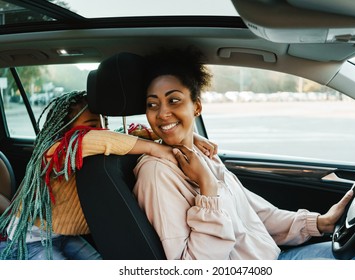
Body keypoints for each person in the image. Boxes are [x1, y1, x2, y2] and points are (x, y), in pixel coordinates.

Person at [133, 47, 355, 260]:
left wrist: (320, 222)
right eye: (152, 104)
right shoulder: (156, 174)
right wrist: (208, 190)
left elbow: (256, 215)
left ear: (197, 106)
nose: (162, 113)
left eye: (174, 100)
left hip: (274, 258)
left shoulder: (202, 155)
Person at [0, 90, 216, 260]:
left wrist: (191, 137)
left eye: (104, 122)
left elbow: (131, 133)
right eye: (93, 125)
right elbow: (94, 140)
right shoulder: (56, 151)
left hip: (64, 235)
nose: (102, 129)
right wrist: (157, 149)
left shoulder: (99, 141)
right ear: (64, 129)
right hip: (28, 241)